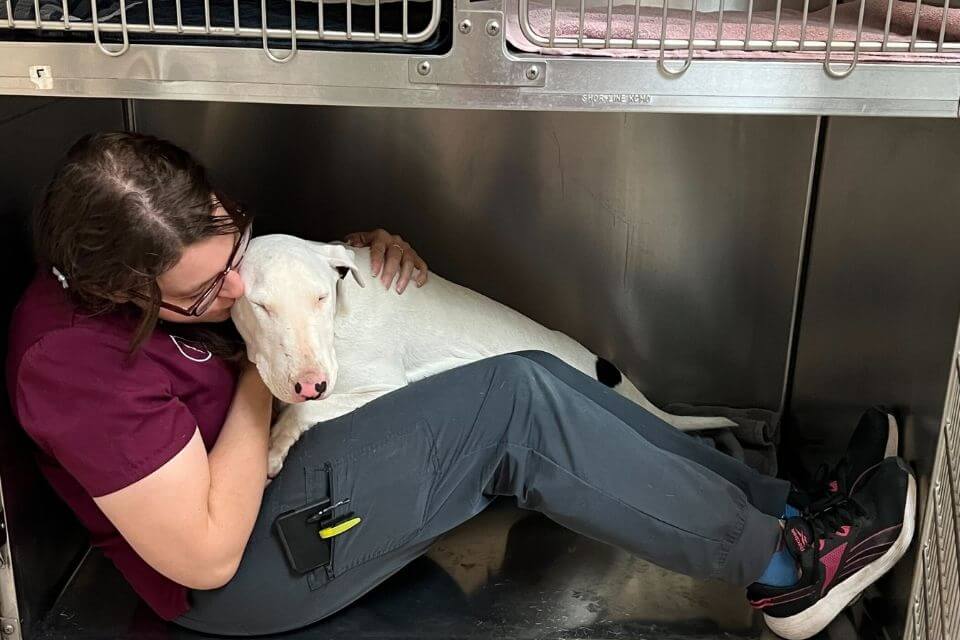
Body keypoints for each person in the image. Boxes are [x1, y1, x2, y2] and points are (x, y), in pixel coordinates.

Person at [5, 132, 915, 640]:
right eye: (205, 292)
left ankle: (783, 507)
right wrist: (271, 375)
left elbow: (256, 290)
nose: (232, 289)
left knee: (526, 375)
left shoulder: (179, 270)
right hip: (252, 569)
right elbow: (201, 556)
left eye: (231, 248)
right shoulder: (69, 365)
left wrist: (330, 271)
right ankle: (787, 570)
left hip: (291, 477)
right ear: (121, 292)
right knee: (512, 407)